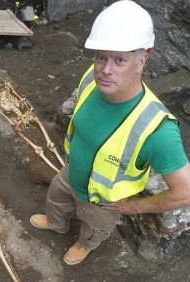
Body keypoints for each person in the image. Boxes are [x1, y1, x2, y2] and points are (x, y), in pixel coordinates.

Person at [30, 0, 190, 265]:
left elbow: (185, 192)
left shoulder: (158, 130)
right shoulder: (91, 81)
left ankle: (85, 244)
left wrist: (133, 207)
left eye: (119, 60)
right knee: (56, 199)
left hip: (104, 202)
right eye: (101, 57)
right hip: (71, 174)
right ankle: (56, 223)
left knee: (94, 229)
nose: (105, 69)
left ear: (143, 58)